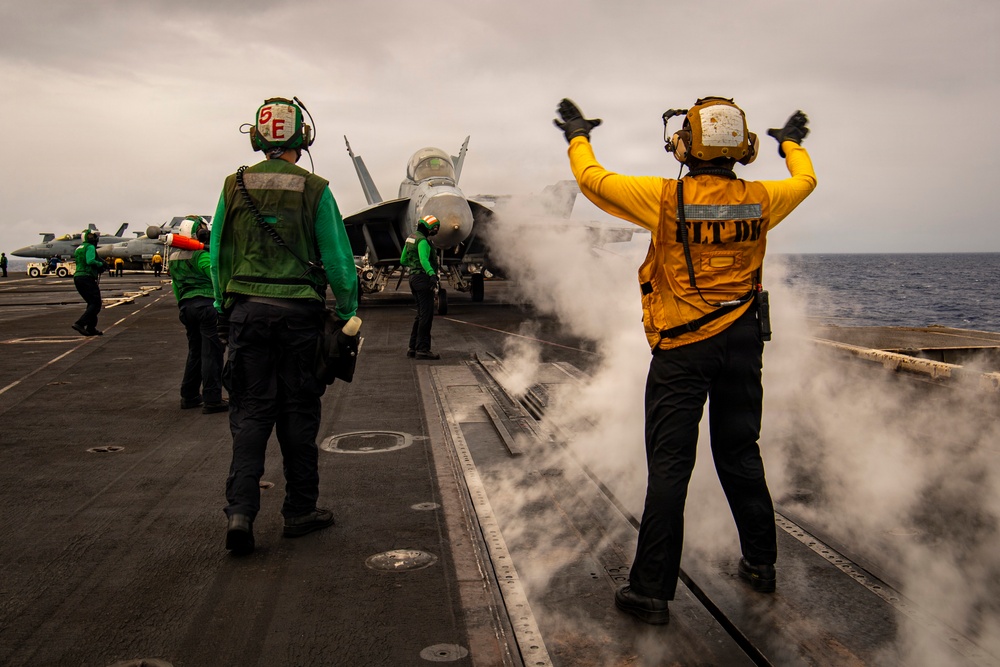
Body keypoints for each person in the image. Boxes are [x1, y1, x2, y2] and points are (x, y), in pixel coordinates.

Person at [554, 97, 816, 624]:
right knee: (740, 453)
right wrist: (792, 146)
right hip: (743, 344)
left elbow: (592, 180)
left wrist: (578, 136)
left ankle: (651, 590)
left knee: (672, 466)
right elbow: (806, 181)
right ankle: (762, 563)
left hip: (682, 348)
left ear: (684, 145)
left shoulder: (663, 198)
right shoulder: (764, 199)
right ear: (744, 150)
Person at [211, 96, 358, 556]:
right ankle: (298, 511)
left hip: (246, 314)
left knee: (251, 414)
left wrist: (223, 304)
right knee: (298, 413)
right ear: (304, 138)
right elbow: (337, 258)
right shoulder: (315, 188)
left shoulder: (233, 186)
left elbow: (218, 252)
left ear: (257, 138)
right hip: (299, 318)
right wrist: (350, 307)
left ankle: (240, 513)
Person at [168, 216, 228, 414]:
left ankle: (189, 395)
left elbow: (176, 287)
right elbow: (216, 278)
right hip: (207, 306)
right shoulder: (201, 256)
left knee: (195, 351)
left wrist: (182, 304)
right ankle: (212, 398)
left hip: (186, 307)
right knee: (212, 352)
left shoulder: (175, 258)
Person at [400, 215, 442, 360]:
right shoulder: (423, 241)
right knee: (426, 315)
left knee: (420, 314)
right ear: (429, 227)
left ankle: (412, 348)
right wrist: (431, 274)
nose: (436, 231)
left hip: (413, 278)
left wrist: (414, 267)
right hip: (423, 279)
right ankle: (423, 349)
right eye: (435, 228)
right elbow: (424, 259)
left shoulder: (410, 238)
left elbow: (403, 259)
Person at [72, 229, 106, 336]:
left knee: (91, 303)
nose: (94, 239)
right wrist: (100, 265)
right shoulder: (90, 247)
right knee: (96, 303)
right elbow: (90, 261)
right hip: (87, 278)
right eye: (92, 237)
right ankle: (80, 324)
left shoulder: (78, 248)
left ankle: (91, 328)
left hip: (78, 277)